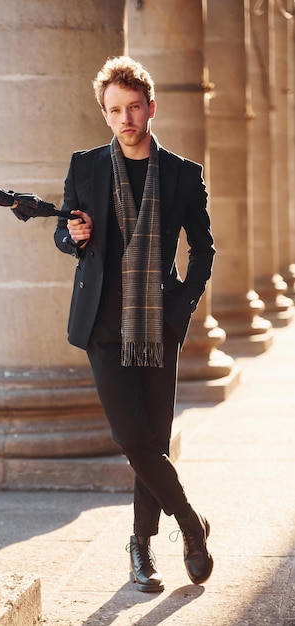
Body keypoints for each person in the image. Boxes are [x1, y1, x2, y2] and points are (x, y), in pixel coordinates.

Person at [54, 56, 215, 592]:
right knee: (131, 437)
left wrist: (182, 304)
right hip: (102, 323)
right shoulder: (85, 167)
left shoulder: (183, 174)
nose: (125, 118)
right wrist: (72, 237)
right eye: (114, 109)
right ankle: (191, 525)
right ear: (105, 113)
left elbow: (204, 248)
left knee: (153, 438)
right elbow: (65, 234)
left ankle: (141, 549)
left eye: (133, 107)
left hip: (155, 325)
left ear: (150, 107)